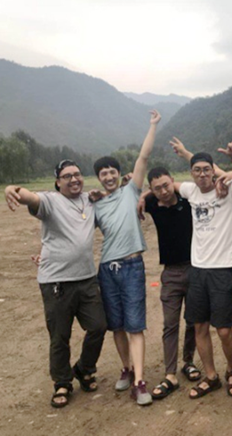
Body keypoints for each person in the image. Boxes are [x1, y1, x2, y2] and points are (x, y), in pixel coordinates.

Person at [4, 160, 107, 408]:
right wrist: (12, 189)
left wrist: (105, 194)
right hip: (56, 282)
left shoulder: (90, 200)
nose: (74, 179)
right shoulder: (50, 202)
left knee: (99, 326)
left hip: (86, 278)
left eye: (77, 174)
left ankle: (84, 368)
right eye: (67, 176)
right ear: (58, 182)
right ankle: (62, 382)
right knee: (60, 335)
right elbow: (30, 197)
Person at [170, 136, 232, 399]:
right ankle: (211, 376)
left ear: (213, 171)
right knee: (199, 327)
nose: (202, 174)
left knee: (224, 329)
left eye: (207, 169)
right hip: (197, 270)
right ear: (191, 173)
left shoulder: (227, 190)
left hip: (222, 269)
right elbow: (166, 184)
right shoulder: (189, 191)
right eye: (197, 170)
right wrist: (144, 195)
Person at [92, 110, 160, 406]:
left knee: (135, 325)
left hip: (132, 266)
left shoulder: (132, 190)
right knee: (116, 325)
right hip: (107, 269)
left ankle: (140, 381)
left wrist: (153, 126)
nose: (108, 176)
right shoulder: (95, 204)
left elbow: (143, 157)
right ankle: (126, 367)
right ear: (98, 178)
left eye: (112, 172)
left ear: (119, 174)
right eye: (103, 173)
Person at [141, 166, 200, 400]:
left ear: (173, 181)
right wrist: (143, 197)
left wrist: (145, 195)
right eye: (157, 188)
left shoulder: (187, 199)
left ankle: (189, 361)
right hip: (171, 273)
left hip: (195, 268)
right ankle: (170, 374)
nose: (163, 191)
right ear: (152, 190)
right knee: (170, 324)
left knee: (194, 320)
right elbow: (139, 196)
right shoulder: (152, 204)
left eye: (166, 185)